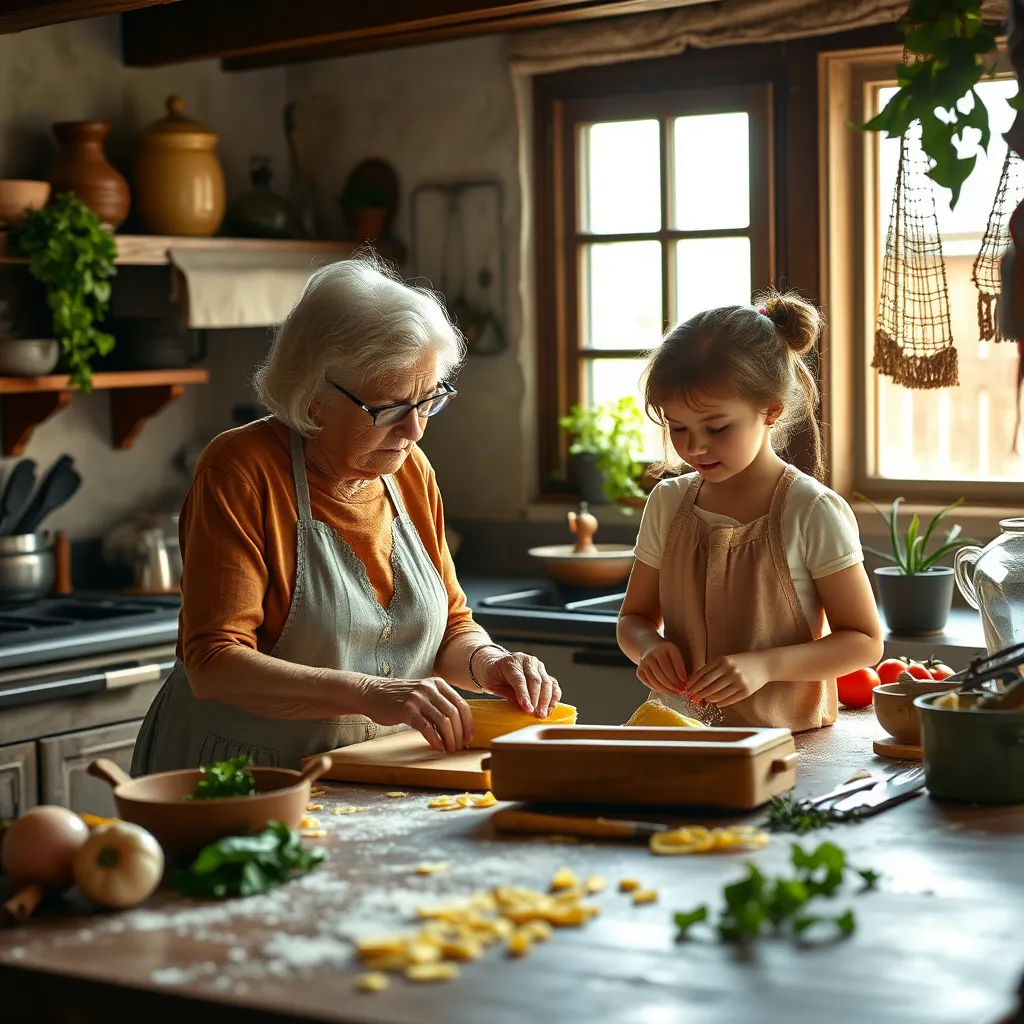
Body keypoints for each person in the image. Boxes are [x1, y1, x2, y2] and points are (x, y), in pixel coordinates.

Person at [132, 255, 559, 773]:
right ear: (315, 401)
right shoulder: (241, 470)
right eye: (390, 409)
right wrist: (373, 692)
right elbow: (213, 663)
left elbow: (450, 625)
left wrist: (489, 663)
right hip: (238, 771)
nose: (415, 431)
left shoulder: (409, 471)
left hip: (366, 768)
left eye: (428, 401)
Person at [616, 289, 883, 732]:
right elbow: (634, 619)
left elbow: (864, 642)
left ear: (770, 411)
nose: (694, 446)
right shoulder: (667, 502)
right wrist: (647, 647)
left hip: (789, 744)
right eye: (677, 427)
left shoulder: (811, 510)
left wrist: (765, 666)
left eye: (717, 428)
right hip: (677, 736)